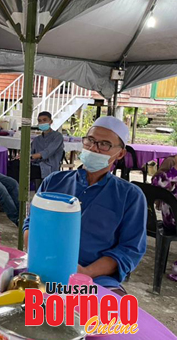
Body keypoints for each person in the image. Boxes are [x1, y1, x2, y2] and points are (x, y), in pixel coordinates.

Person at [23, 116, 147, 293]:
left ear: (120, 154)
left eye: (104, 144)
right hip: (43, 270)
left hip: (96, 279)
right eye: (90, 140)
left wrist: (85, 273)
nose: (94, 148)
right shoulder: (54, 182)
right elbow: (31, 222)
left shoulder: (130, 196)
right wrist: (37, 256)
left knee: (105, 317)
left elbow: (129, 249)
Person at [8, 111, 64, 181]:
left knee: (18, 169)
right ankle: (14, 188)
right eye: (40, 121)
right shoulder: (37, 139)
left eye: (45, 120)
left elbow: (47, 152)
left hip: (49, 168)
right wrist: (21, 156)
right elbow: (30, 151)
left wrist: (30, 156)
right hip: (35, 165)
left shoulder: (57, 137)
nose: (42, 122)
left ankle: (17, 189)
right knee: (12, 164)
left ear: (51, 121)